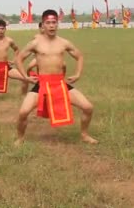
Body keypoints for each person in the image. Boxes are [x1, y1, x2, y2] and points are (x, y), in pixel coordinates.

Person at [15, 10, 97, 145]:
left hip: (60, 83)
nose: (51, 25)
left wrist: (77, 74)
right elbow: (19, 58)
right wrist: (25, 76)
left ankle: (84, 135)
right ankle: (20, 138)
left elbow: (79, 56)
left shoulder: (64, 43)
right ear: (43, 25)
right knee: (23, 112)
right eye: (48, 23)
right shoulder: (35, 43)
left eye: (54, 22)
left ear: (57, 24)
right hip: (41, 84)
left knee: (88, 107)